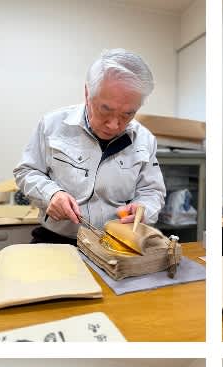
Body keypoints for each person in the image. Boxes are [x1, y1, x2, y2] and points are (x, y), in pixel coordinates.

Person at [14, 49, 166, 244]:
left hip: (115, 244)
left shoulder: (145, 139)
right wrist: (51, 194)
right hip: (57, 239)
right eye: (105, 109)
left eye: (127, 114)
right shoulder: (52, 125)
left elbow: (152, 192)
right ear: (87, 93)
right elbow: (26, 171)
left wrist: (143, 211)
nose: (114, 124)